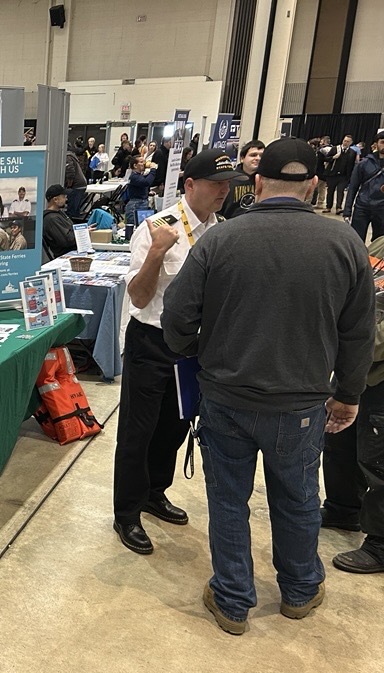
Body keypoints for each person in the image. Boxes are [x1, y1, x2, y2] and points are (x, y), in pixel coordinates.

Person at [162, 137, 376, 633]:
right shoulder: (345, 244)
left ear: (257, 182)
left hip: (225, 398)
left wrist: (197, 353)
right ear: (316, 185)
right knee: (298, 496)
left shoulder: (219, 239)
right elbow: (358, 331)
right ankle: (300, 590)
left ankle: (233, 599)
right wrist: (348, 394)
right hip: (301, 403)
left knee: (228, 498)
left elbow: (176, 318)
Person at [111, 149, 246, 556]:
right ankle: (127, 513)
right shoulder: (157, 227)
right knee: (139, 429)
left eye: (228, 184)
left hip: (193, 347)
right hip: (151, 341)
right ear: (190, 185)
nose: (224, 191)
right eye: (216, 184)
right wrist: (156, 252)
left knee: (174, 424)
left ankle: (155, 492)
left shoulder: (220, 231)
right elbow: (137, 297)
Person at [325, 237, 384, 574]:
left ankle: (380, 542)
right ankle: (342, 508)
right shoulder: (377, 247)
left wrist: (346, 344)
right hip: (353, 370)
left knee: (378, 459)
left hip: (375, 369)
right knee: (338, 440)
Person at [343, 130, 384, 241]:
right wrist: (347, 210)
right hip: (362, 207)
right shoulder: (364, 163)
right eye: (383, 142)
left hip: (382, 209)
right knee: (356, 240)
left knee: (380, 244)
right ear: (376, 144)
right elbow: (353, 188)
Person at [219, 140, 263, 219]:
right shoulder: (229, 180)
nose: (258, 158)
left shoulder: (265, 181)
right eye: (253, 155)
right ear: (242, 158)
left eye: (261, 156)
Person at [41, 184, 77, 260]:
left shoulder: (59, 213)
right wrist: (82, 233)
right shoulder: (51, 219)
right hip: (67, 255)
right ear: (55, 199)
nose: (66, 199)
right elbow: (68, 240)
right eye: (64, 197)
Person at [325, 135, 355, 215]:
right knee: (330, 191)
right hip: (332, 174)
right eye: (344, 141)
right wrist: (333, 157)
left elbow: (352, 165)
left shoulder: (352, 152)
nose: (345, 143)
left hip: (344, 176)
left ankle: (338, 207)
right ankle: (328, 207)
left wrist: (350, 177)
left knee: (340, 191)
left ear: (351, 143)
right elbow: (326, 158)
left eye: (348, 141)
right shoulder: (335, 149)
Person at [124, 155, 155, 226]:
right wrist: (153, 170)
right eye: (141, 162)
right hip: (136, 205)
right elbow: (146, 183)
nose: (144, 163)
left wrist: (147, 193)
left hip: (141, 203)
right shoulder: (134, 176)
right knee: (134, 226)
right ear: (135, 165)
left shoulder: (139, 175)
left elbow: (139, 188)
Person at [64, 144, 88, 220]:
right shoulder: (72, 156)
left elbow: (70, 172)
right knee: (75, 210)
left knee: (72, 211)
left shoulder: (67, 157)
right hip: (81, 183)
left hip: (76, 185)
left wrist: (69, 185)